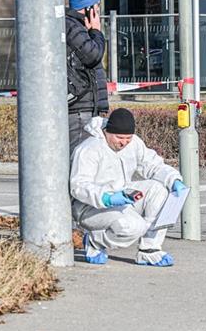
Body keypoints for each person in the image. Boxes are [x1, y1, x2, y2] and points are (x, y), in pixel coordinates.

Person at [70, 108, 187, 266]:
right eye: (119, 137)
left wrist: (173, 180)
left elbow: (153, 165)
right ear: (107, 132)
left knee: (159, 190)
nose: (124, 142)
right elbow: (78, 186)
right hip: (89, 207)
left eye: (128, 138)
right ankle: (95, 241)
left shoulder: (134, 143)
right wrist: (107, 198)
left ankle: (149, 249)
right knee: (133, 226)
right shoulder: (89, 149)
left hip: (122, 198)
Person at [66, 0, 110, 156]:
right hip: (80, 109)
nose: (98, 13)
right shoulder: (73, 27)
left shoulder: (78, 27)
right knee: (80, 158)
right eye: (97, 8)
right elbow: (93, 55)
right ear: (89, 9)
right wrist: (96, 31)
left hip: (86, 108)